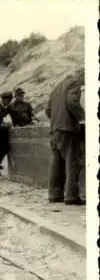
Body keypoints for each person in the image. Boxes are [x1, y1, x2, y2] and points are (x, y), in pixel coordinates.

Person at [46, 69, 85, 205]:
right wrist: (83, 117)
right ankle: (71, 197)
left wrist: (57, 120)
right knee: (72, 162)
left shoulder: (56, 87)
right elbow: (72, 102)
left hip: (54, 130)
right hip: (67, 130)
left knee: (56, 163)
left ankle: (54, 195)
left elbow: (48, 110)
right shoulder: (75, 83)